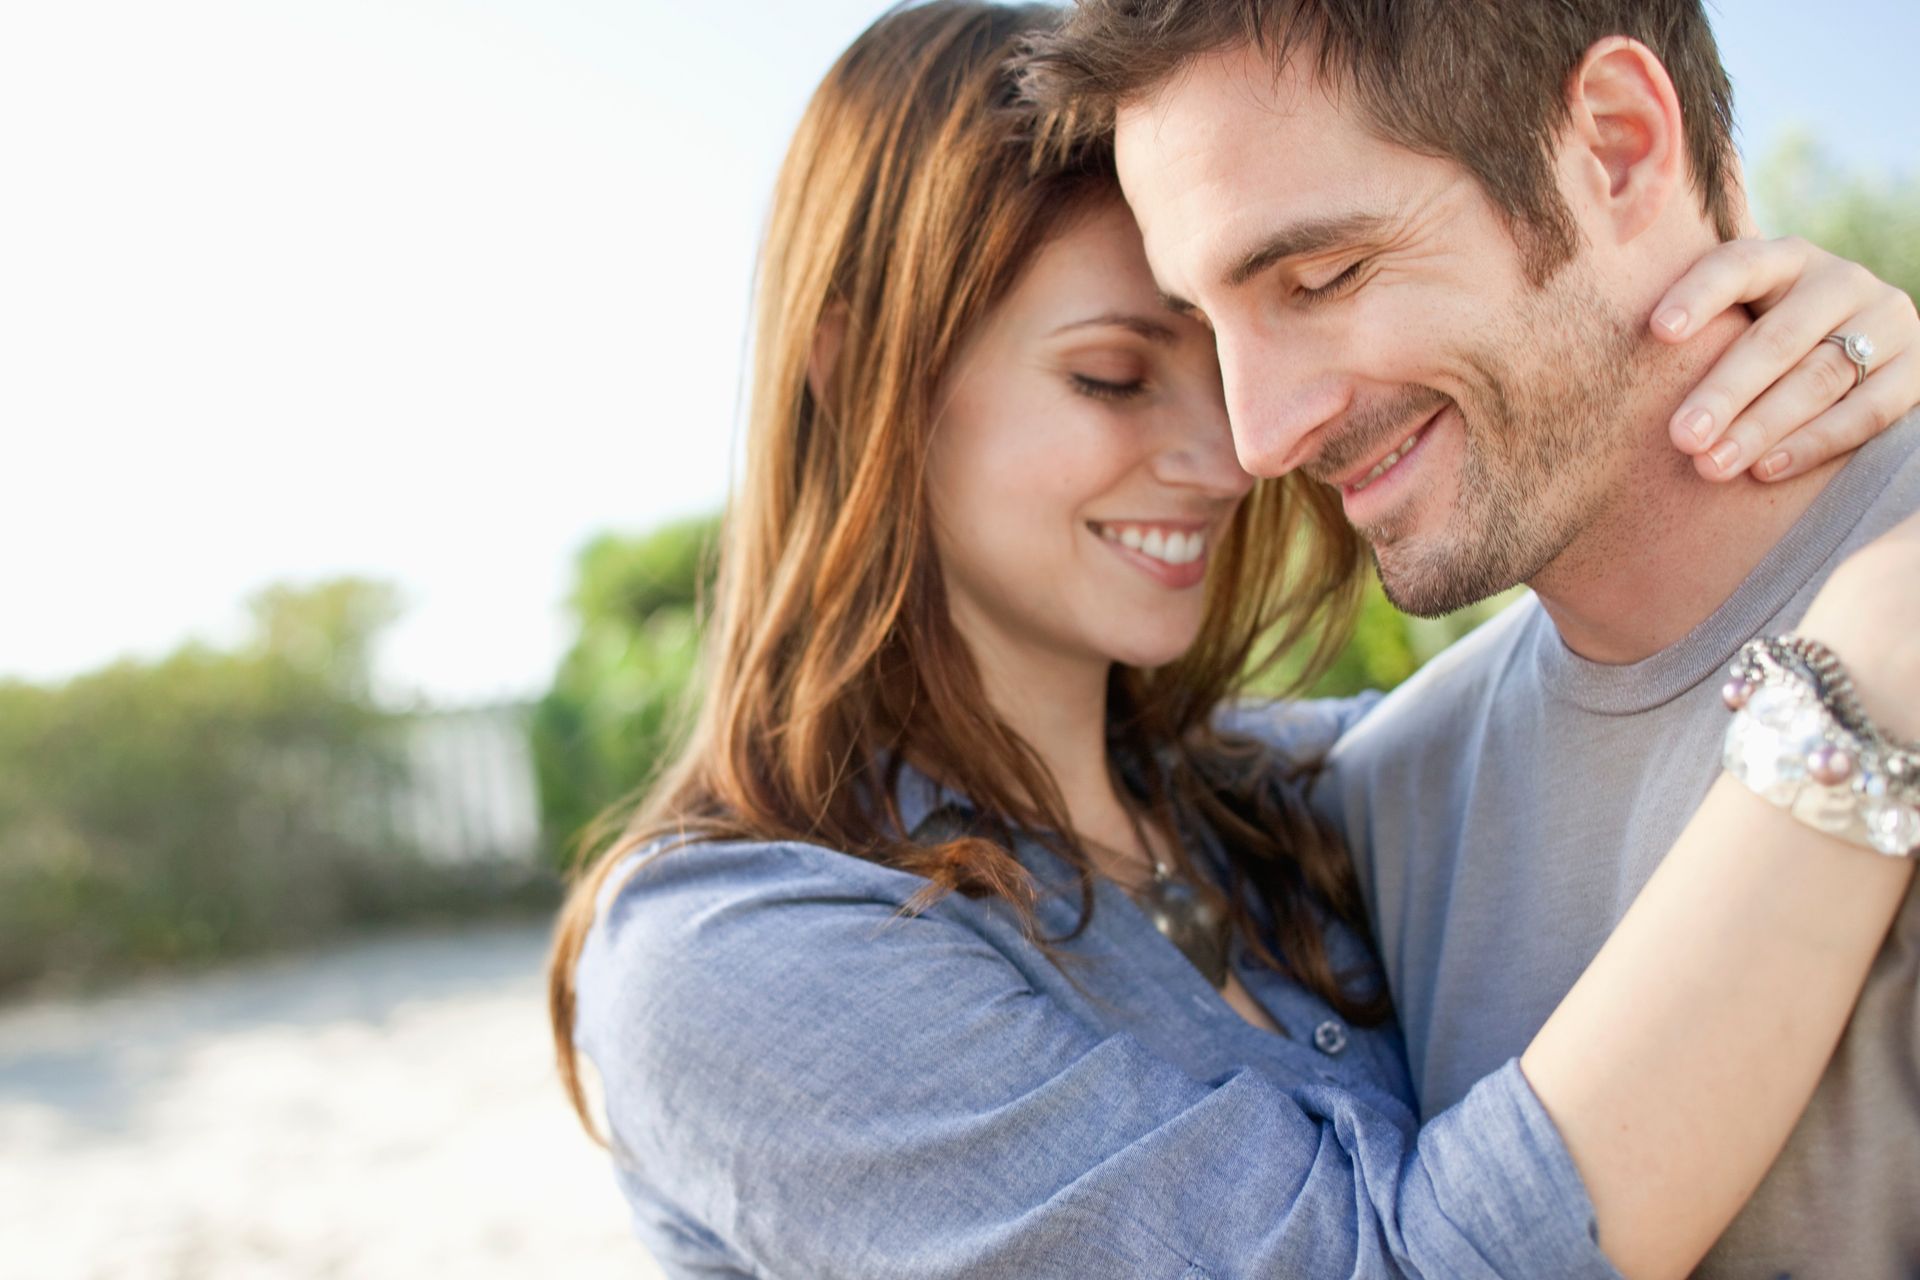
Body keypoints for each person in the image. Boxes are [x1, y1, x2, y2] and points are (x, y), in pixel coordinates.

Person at [549, 4, 1920, 1277]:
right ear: (862, 379)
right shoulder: (745, 953)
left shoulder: (1289, 807)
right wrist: (1851, 690)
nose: (1243, 448)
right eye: (1113, 374)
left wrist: (1853, 393)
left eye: (1304, 285)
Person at [1028, 1, 1920, 1275]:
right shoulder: (1381, 803)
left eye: (1319, 278)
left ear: (1616, 148)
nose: (1259, 435)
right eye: (1203, 324)